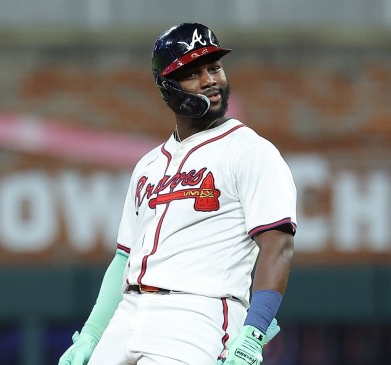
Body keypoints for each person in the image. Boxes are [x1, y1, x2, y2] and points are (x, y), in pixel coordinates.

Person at [58, 22, 297, 365]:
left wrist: (253, 332)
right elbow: (124, 259)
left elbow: (278, 244)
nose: (210, 80)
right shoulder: (148, 165)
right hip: (129, 311)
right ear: (167, 88)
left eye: (214, 67)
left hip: (197, 313)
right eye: (193, 73)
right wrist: (93, 333)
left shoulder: (250, 150)